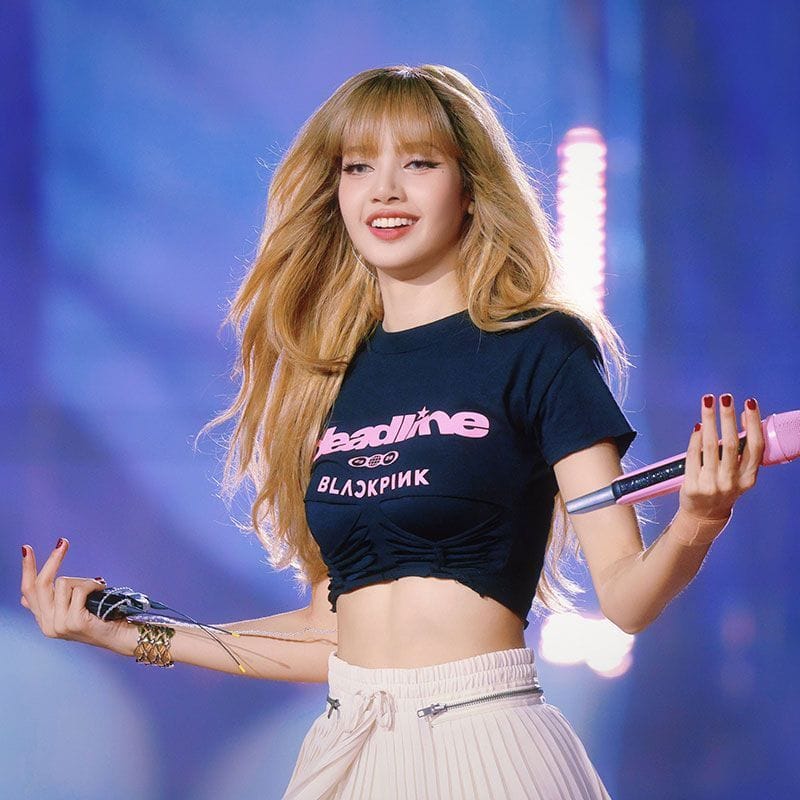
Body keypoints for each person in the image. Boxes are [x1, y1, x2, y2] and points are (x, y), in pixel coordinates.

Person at [19, 64, 764, 799]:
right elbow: (330, 633)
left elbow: (627, 598)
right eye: (358, 166)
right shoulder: (326, 375)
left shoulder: (540, 348)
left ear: (470, 188)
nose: (384, 189)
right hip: (349, 748)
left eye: (419, 162)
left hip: (485, 742)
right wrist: (132, 633)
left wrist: (698, 518)